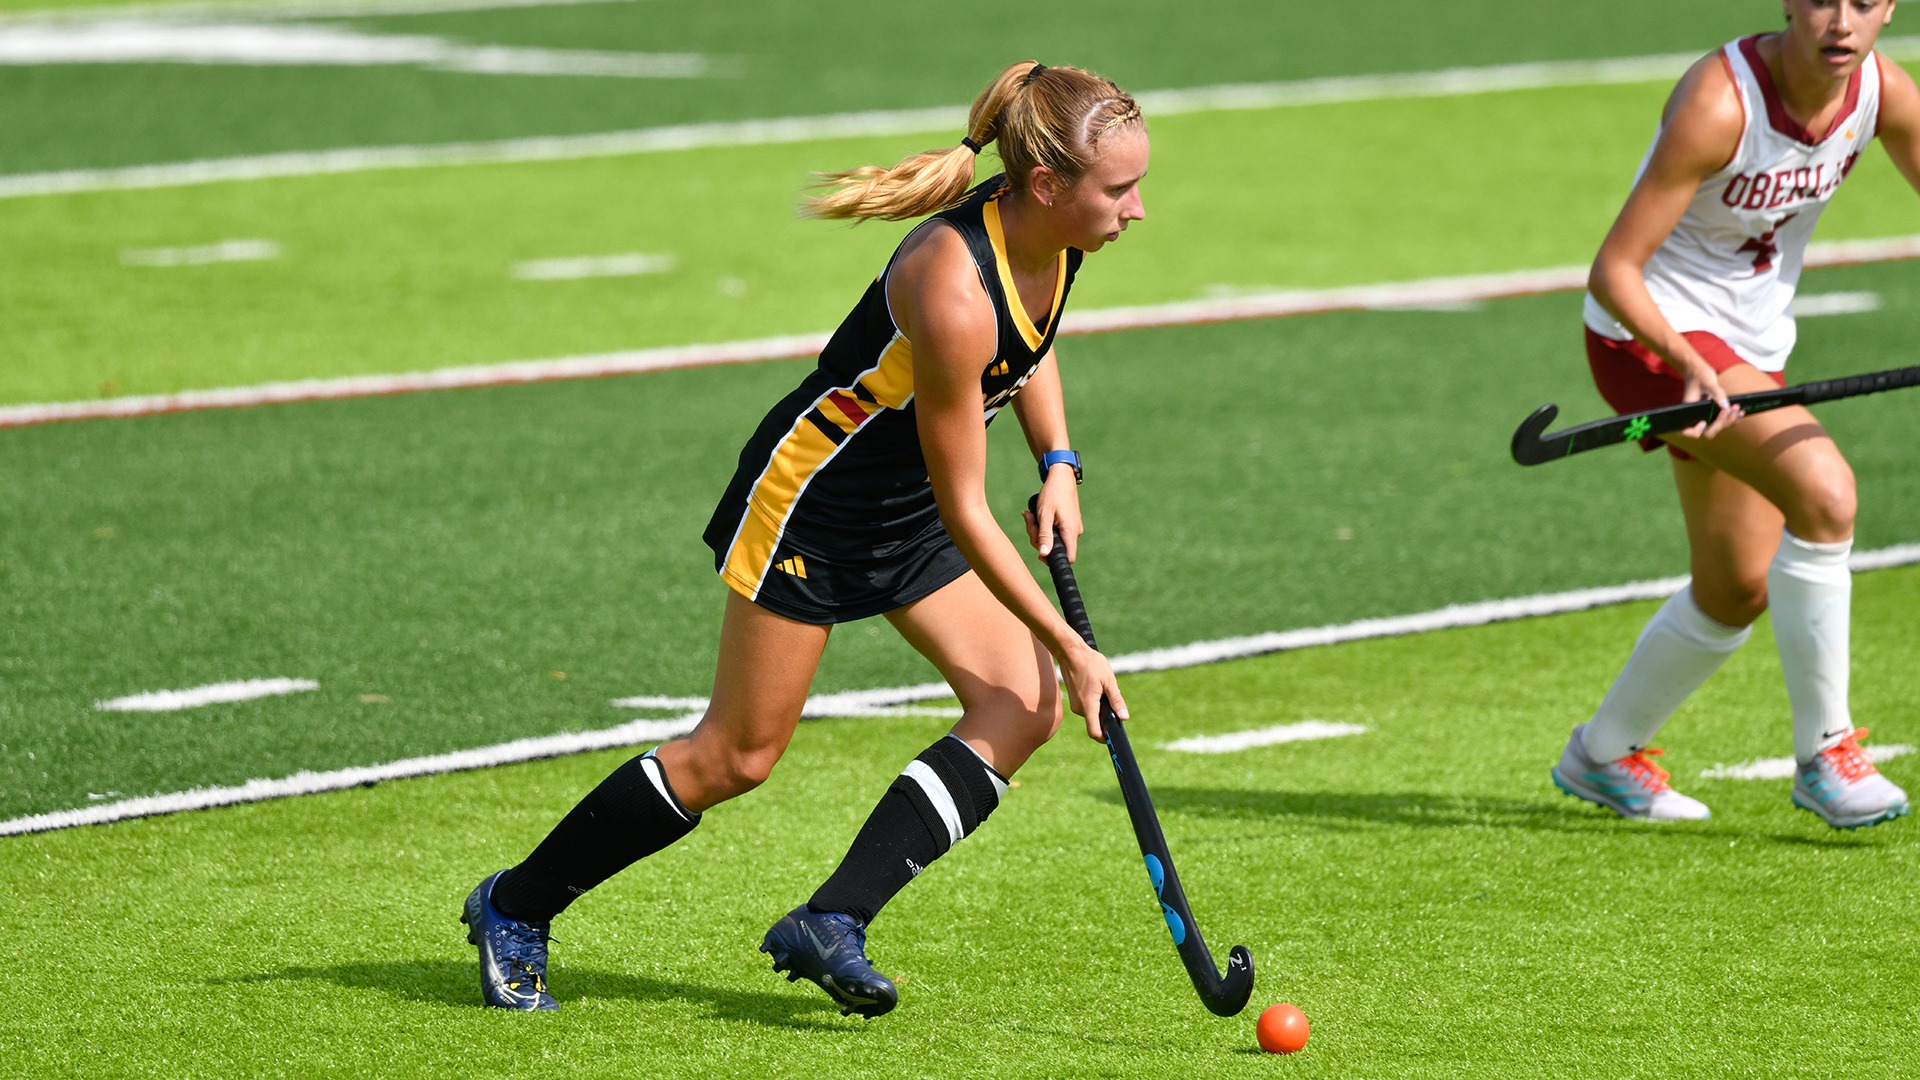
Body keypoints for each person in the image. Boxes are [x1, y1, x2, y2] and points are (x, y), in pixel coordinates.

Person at [460, 60, 1149, 1015]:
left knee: (1019, 705)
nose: (1138, 209)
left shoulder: (1060, 240)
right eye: (1120, 188)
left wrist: (1061, 461)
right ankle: (514, 903)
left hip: (903, 505)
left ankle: (833, 919)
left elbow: (1031, 345)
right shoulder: (950, 286)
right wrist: (1075, 646)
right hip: (813, 505)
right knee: (736, 757)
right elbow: (966, 504)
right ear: (1045, 184)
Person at [1552, 0, 1919, 829]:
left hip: (1748, 348)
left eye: (1865, 2)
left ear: (1890, 9)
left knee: (1735, 588)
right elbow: (1615, 270)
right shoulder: (1722, 102)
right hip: (1653, 342)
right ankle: (1826, 754)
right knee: (1826, 493)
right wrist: (1686, 361)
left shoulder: (1884, 93)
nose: (1841, 21)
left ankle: (1602, 754)